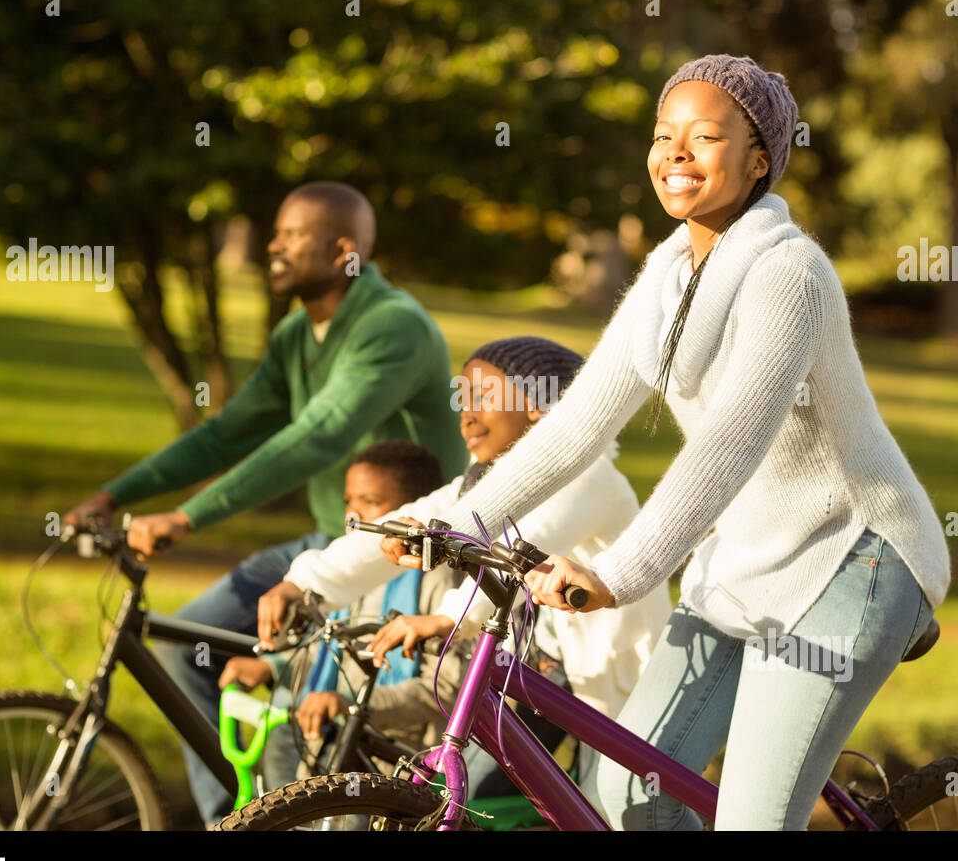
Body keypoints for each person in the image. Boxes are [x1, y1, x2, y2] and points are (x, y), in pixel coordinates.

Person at [378, 55, 952, 830]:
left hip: (855, 561)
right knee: (627, 792)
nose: (675, 153)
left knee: (754, 821)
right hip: (748, 557)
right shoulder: (667, 275)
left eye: (704, 136)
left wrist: (622, 572)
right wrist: (455, 523)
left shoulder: (791, 275)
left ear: (759, 162)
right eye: (662, 135)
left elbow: (730, 442)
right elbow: (579, 425)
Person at [64, 181, 465, 825]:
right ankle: (240, 818)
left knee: (298, 695)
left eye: (291, 235)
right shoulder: (297, 335)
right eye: (274, 233)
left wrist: (189, 516)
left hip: (397, 556)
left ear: (343, 252)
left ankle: (301, 816)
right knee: (181, 646)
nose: (273, 246)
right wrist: (117, 494)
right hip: (327, 540)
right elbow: (227, 433)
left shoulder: (393, 326)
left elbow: (316, 437)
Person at [260, 336, 672, 793]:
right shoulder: (485, 483)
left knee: (622, 805)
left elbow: (526, 545)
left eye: (484, 397)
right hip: (540, 672)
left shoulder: (590, 476)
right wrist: (305, 582)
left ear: (541, 405)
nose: (467, 414)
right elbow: (408, 520)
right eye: (463, 401)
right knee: (462, 792)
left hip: (613, 681)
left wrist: (447, 617)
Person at [217, 440, 459, 789]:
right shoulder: (347, 575)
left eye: (372, 503)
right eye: (350, 502)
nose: (354, 516)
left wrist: (352, 705)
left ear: (414, 511)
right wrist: (273, 666)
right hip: (333, 743)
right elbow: (326, 649)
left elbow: (447, 688)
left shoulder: (438, 582)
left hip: (400, 761)